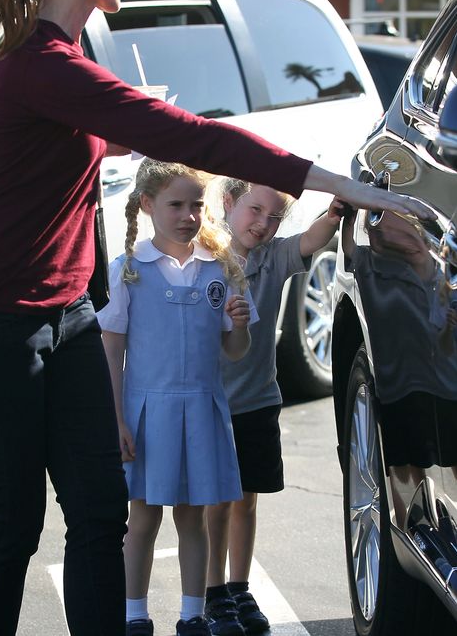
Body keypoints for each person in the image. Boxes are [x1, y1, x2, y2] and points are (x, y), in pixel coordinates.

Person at [0, 0, 434, 636]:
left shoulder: (65, 61)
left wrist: (99, 293)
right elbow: (191, 136)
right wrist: (336, 181)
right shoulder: (42, 66)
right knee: (14, 525)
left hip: (66, 319)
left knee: (100, 513)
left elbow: (63, 178)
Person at [97, 159, 256, 636]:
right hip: (147, 413)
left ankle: (192, 615)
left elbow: (234, 350)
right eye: (176, 205)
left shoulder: (221, 266)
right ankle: (134, 615)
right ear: (147, 205)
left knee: (193, 519)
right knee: (143, 519)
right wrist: (117, 420)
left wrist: (240, 326)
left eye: (196, 205)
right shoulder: (128, 269)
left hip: (202, 410)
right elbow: (111, 351)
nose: (188, 215)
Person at [203, 181, 346, 635]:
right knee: (216, 504)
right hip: (212, 406)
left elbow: (311, 241)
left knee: (246, 500)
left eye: (275, 217)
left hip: (259, 400)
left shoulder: (273, 256)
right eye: (255, 210)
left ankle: (239, 587)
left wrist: (333, 216)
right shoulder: (205, 260)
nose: (263, 224)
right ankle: (213, 593)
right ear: (228, 202)